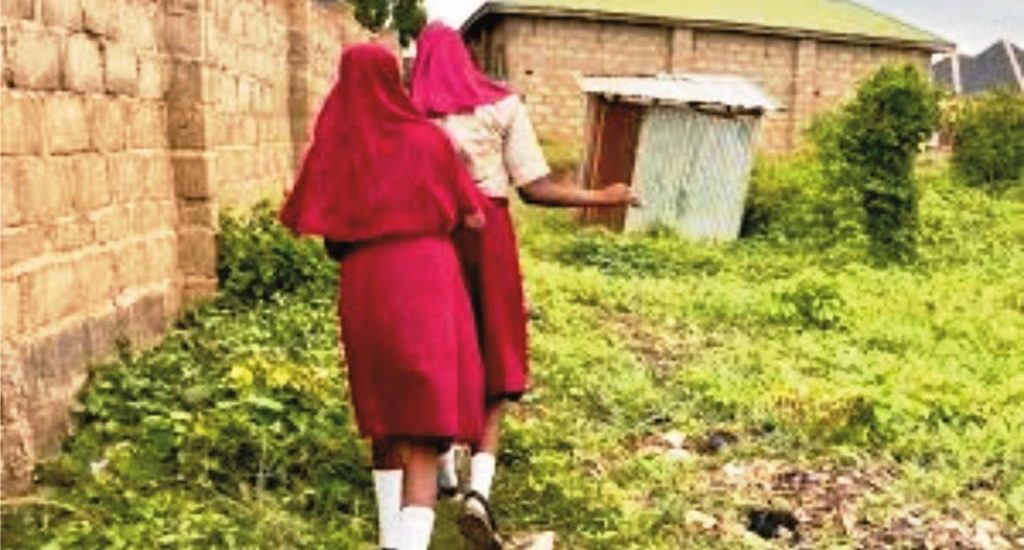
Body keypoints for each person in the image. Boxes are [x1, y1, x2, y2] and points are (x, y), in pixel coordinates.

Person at [410, 22, 639, 549]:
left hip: (427, 244)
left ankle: (442, 470)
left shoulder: (407, 114)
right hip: (486, 240)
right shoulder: (501, 105)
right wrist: (605, 196)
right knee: (496, 357)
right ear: (467, 58)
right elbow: (534, 189)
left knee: (441, 353)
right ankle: (479, 493)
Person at [280, 43, 488, 550]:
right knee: (422, 427)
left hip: (366, 283)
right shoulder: (429, 140)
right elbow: (475, 216)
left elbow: (324, 234)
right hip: (428, 276)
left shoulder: (334, 146)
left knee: (384, 415)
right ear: (395, 79)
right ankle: (408, 543)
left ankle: (388, 536)